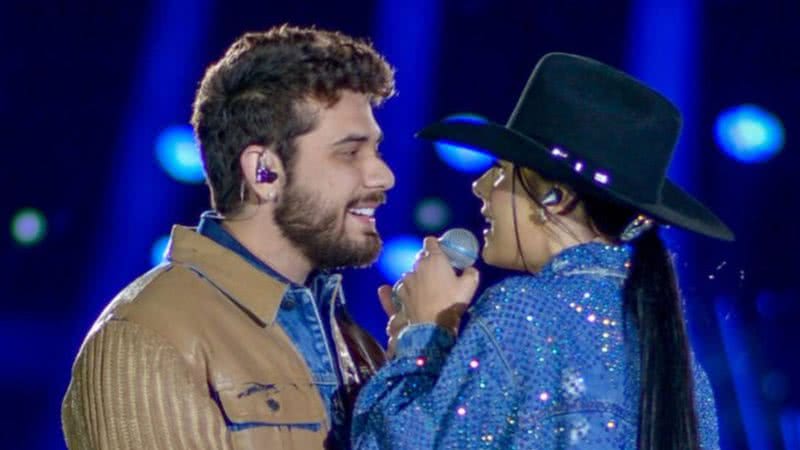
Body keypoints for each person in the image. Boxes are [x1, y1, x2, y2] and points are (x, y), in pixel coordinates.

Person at [352, 53, 732, 449]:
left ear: (556, 197)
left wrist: (422, 338)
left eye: (500, 171)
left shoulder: (524, 311)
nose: (480, 187)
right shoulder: (680, 365)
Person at [62, 25, 396, 450]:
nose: (383, 175)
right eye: (350, 152)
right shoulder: (148, 336)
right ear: (264, 172)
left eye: (376, 150)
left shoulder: (354, 342)